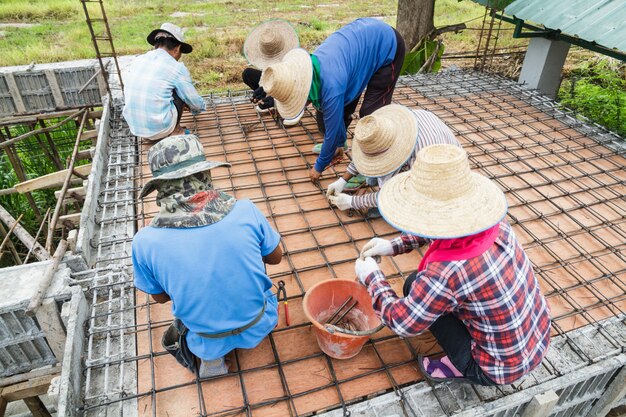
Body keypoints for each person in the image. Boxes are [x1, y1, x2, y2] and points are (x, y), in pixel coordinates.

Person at [355, 144, 551, 386]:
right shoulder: (495, 224)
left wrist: (372, 277)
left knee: (413, 287)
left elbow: (403, 322)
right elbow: (444, 227)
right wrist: (393, 245)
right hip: (536, 340)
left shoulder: (446, 273)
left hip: (496, 369)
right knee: (421, 287)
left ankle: (464, 367)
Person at [132, 134, 283, 378]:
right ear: (206, 174)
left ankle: (212, 363)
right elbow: (275, 258)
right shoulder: (245, 210)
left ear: (160, 188)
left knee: (188, 317)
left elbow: (160, 298)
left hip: (206, 338)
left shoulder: (145, 241)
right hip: (258, 323)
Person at [260, 18, 406, 181]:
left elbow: (331, 131)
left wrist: (318, 167)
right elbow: (334, 123)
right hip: (364, 42)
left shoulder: (331, 86)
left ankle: (369, 172)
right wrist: (338, 143)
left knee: (372, 117)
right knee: (337, 112)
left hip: (388, 45)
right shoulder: (312, 67)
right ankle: (340, 146)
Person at [327, 104, 460, 213]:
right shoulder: (396, 125)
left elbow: (398, 194)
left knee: (410, 205)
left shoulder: (420, 157)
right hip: (428, 150)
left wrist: (352, 202)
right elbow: (366, 153)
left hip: (444, 173)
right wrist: (342, 180)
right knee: (373, 178)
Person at [123, 23, 206, 141]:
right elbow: (195, 103)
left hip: (136, 129)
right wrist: (197, 108)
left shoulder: (138, 60)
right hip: (160, 130)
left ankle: (152, 133)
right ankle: (176, 131)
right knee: (181, 91)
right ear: (177, 49)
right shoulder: (176, 67)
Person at [241, 19, 299, 113]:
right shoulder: (267, 53)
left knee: (277, 93)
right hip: (273, 80)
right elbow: (266, 74)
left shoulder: (291, 59)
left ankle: (275, 101)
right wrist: (262, 89)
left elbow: (293, 84)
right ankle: (265, 98)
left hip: (288, 86)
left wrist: (274, 99)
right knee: (247, 73)